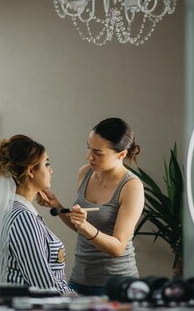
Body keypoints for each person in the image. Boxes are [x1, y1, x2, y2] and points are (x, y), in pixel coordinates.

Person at [37, 117, 145, 296]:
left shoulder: (132, 186)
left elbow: (118, 247)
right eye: (89, 148)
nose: (89, 157)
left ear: (122, 154)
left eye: (98, 153)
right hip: (79, 279)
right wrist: (57, 204)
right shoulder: (85, 172)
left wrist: (86, 226)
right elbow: (79, 226)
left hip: (116, 284)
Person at [0, 135, 71, 293]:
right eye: (46, 164)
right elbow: (45, 286)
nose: (50, 170)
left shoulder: (13, 210)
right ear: (31, 170)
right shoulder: (22, 217)